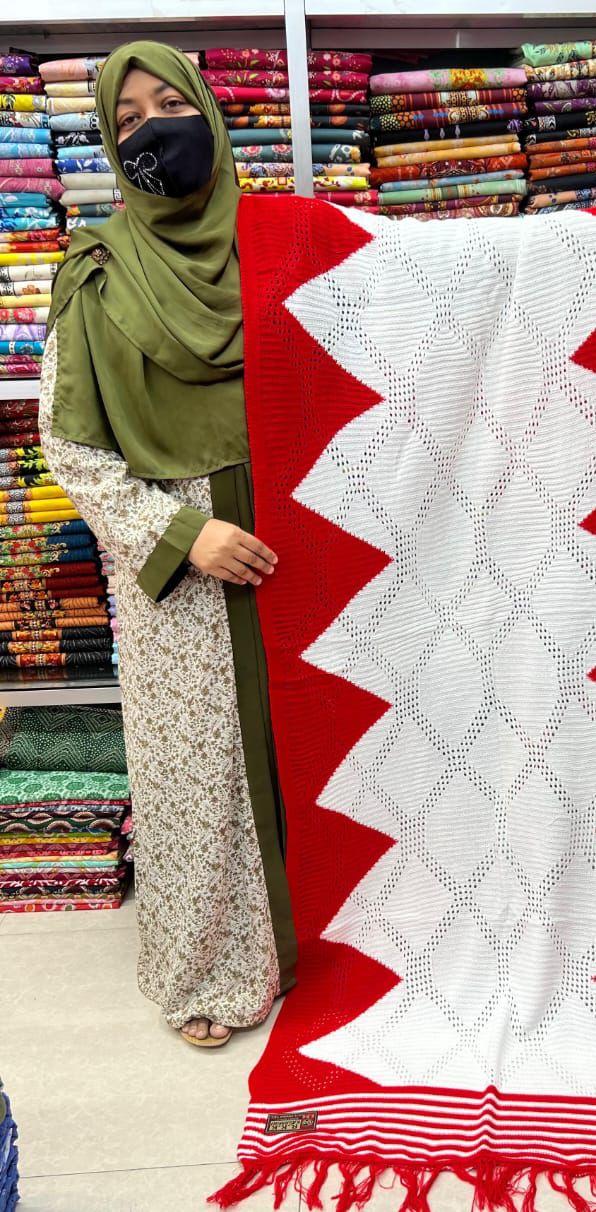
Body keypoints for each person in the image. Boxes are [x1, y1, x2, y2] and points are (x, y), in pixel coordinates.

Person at [39, 41, 297, 1048]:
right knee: (196, 776)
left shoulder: (279, 240)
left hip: (294, 533)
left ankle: (318, 946)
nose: (155, 129)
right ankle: (209, 970)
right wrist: (185, 533)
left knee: (314, 746)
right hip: (179, 558)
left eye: (170, 102)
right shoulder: (96, 271)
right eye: (130, 119)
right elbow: (70, 443)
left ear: (209, 111)